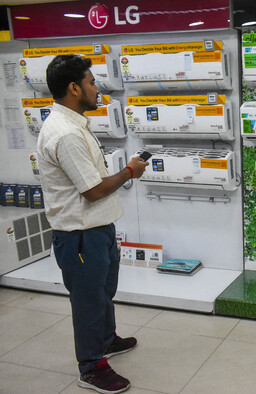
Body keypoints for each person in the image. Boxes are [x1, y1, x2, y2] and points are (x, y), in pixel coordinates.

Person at [36, 55, 148, 394]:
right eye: (91, 82)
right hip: (80, 234)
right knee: (87, 301)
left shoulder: (75, 125)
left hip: (97, 230)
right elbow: (93, 190)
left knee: (102, 293)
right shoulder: (66, 134)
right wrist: (130, 171)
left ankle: (105, 339)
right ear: (73, 88)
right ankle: (92, 367)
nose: (97, 89)